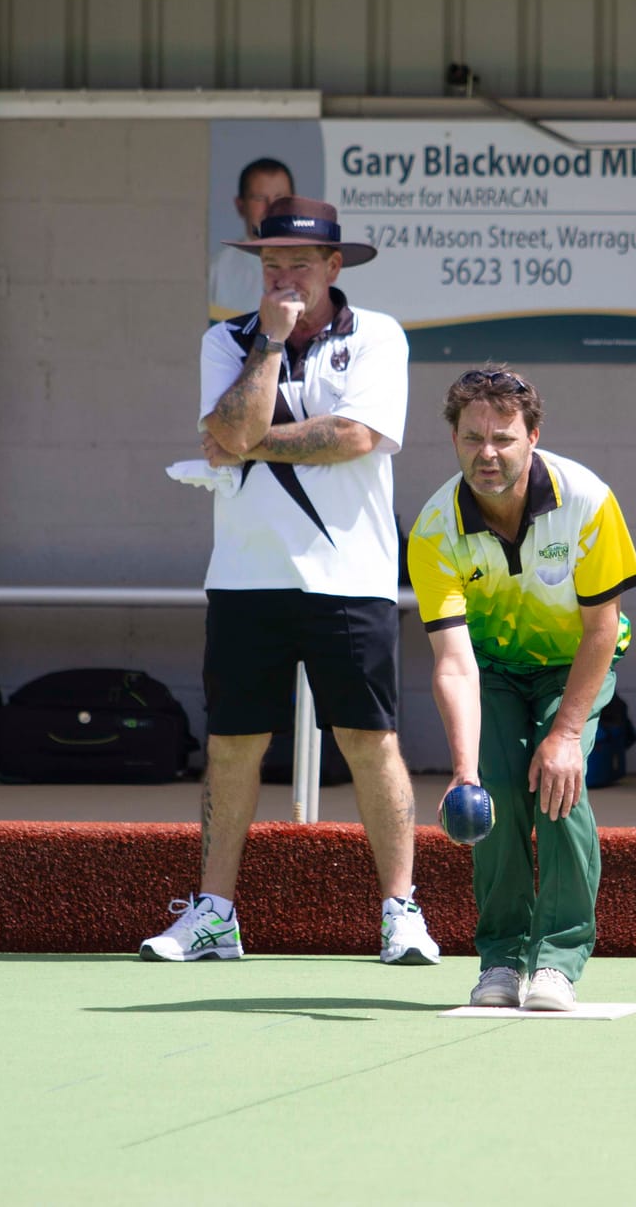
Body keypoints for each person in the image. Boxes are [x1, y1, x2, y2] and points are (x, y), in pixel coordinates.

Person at [141, 195, 441, 967]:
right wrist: (268, 345)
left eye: (298, 264)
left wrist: (243, 441)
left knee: (370, 741)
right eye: (270, 265)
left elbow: (354, 436)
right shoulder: (228, 339)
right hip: (246, 577)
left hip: (354, 573)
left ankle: (400, 910)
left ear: (335, 266)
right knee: (234, 744)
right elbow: (232, 427)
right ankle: (214, 913)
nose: (282, 278)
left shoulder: (378, 336)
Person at [405, 366, 636, 1011]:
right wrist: (462, 771)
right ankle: (502, 962)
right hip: (493, 668)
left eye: (504, 437)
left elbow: (603, 626)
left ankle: (558, 963)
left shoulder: (588, 501)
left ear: (532, 436)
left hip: (575, 663)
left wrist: (565, 733)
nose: (488, 452)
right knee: (497, 792)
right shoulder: (433, 530)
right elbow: (453, 661)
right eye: (472, 436)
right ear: (453, 439)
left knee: (558, 785)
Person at [208, 157, 297, 321]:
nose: (271, 207)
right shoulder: (218, 270)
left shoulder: (314, 266)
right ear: (240, 205)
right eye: (259, 198)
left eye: (279, 198)